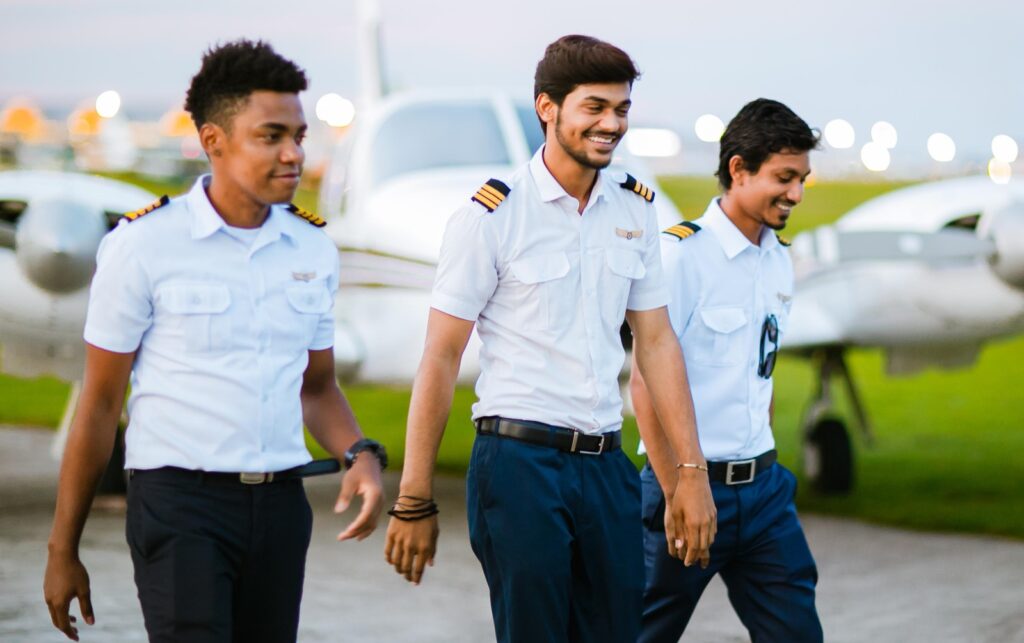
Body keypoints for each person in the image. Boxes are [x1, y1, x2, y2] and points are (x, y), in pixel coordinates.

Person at [43, 40, 385, 643]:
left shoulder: (312, 250)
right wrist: (61, 549)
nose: (294, 154)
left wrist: (359, 453)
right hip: (180, 505)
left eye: (300, 136)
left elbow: (318, 387)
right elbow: (98, 403)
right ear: (213, 141)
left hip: (281, 508)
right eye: (271, 136)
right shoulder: (143, 245)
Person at [383, 35, 716, 643]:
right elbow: (439, 357)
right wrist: (413, 497)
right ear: (548, 108)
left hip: (607, 467)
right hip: (518, 466)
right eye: (594, 108)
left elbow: (658, 343)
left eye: (620, 109)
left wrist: (689, 471)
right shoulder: (491, 216)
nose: (611, 124)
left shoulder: (635, 211)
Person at [631, 98, 823, 642]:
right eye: (784, 177)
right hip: (686, 487)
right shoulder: (681, 256)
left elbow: (758, 372)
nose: (797, 194)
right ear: (738, 169)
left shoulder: (777, 258)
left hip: (763, 494)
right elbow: (645, 383)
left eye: (803, 179)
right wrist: (677, 491)